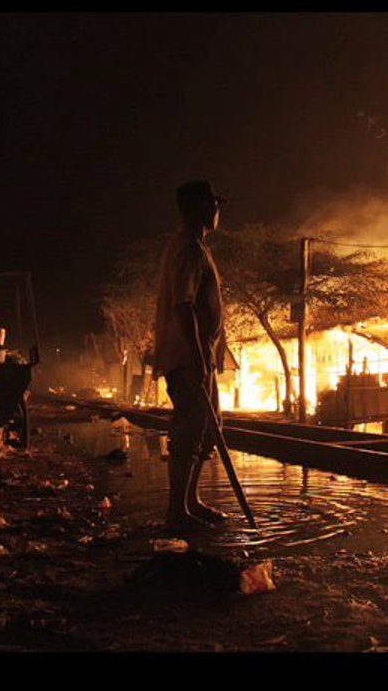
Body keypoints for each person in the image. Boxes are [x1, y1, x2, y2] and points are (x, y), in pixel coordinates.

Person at [153, 180, 229, 529]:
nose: (217, 209)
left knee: (208, 429)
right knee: (190, 430)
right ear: (197, 207)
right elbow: (183, 306)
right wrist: (198, 357)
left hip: (200, 355)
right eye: (212, 203)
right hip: (188, 356)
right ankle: (177, 512)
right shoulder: (189, 248)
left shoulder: (195, 245)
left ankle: (190, 502)